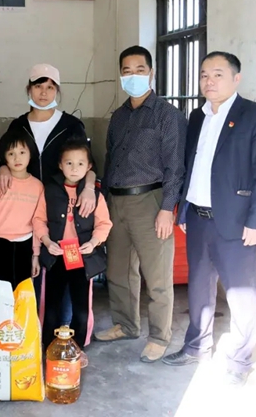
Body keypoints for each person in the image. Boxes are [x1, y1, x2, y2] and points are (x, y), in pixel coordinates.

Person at [162, 52, 256, 386]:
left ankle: (239, 362)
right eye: (204, 75)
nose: (209, 81)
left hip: (237, 221)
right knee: (199, 287)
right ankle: (196, 347)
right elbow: (191, 165)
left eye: (217, 74)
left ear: (236, 78)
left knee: (241, 293)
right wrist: (185, 208)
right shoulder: (198, 117)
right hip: (198, 218)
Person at [95, 45, 187, 364]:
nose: (133, 76)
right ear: (121, 75)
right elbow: (110, 159)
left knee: (157, 276)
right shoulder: (119, 116)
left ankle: (160, 337)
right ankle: (126, 324)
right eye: (127, 71)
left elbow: (175, 166)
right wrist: (105, 203)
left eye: (139, 70)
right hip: (116, 201)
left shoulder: (168, 115)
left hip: (151, 201)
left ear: (152, 73)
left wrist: (167, 208)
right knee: (118, 271)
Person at [0, 63, 99, 326]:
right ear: (29, 89)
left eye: (50, 87)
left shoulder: (71, 125)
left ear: (58, 91)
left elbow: (89, 165)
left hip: (61, 209)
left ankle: (61, 333)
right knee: (29, 267)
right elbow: (7, 157)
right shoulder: (18, 126)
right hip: (25, 207)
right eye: (38, 86)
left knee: (62, 268)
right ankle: (28, 328)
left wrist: (89, 188)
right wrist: (2, 167)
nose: (44, 92)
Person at [34, 139, 113, 367]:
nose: (75, 168)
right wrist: (47, 241)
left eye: (80, 163)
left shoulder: (94, 194)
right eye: (69, 163)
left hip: (82, 257)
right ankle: (48, 346)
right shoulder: (49, 191)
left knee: (81, 306)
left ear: (89, 167)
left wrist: (94, 242)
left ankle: (78, 347)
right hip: (56, 256)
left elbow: (104, 224)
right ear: (60, 165)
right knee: (51, 305)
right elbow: (38, 219)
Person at [0, 129, 44, 289]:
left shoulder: (38, 186)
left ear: (31, 154)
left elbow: (39, 221)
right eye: (11, 153)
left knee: (23, 292)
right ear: (4, 157)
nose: (17, 158)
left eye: (22, 152)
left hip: (26, 244)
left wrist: (36, 254)